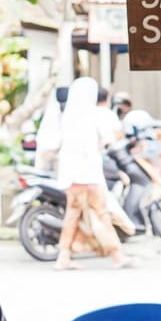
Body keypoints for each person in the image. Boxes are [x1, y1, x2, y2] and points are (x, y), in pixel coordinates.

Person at [47, 75, 123, 270]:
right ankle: (117, 255)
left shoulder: (67, 116)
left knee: (72, 216)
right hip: (89, 175)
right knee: (102, 214)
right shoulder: (92, 115)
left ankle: (63, 258)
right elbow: (103, 142)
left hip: (70, 176)